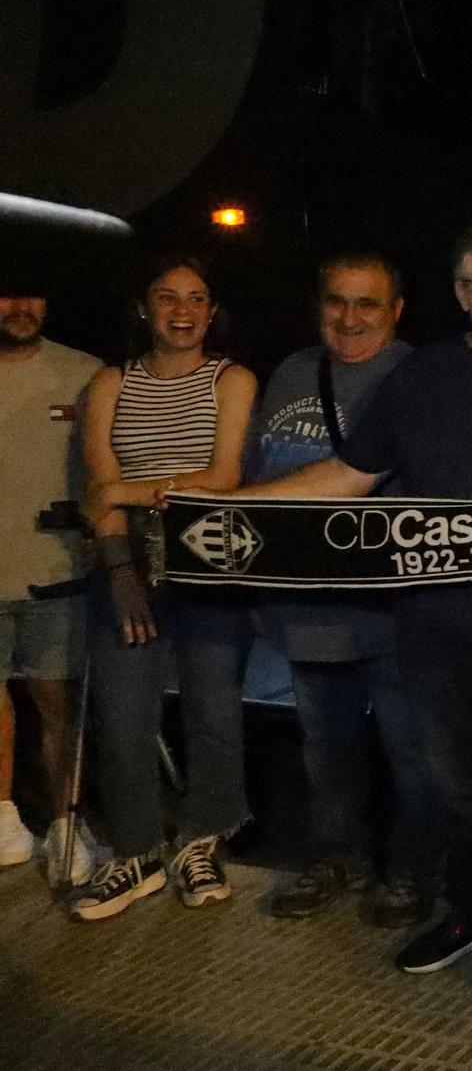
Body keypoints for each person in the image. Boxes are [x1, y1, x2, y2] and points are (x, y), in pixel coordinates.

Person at [225, 224, 472, 996]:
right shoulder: (422, 375)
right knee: (460, 786)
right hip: (435, 623)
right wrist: (234, 506)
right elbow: (347, 474)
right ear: (462, 295)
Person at [251, 253, 436, 927]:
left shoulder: (421, 373)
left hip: (393, 609)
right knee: (324, 749)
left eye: (368, 303)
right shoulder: (293, 372)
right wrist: (256, 594)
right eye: (337, 301)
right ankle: (339, 856)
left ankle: (413, 870)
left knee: (411, 751)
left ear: (397, 309)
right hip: (305, 606)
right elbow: (256, 483)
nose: (351, 317)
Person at [71, 256, 258, 920]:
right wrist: (120, 570)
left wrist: (129, 487)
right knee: (123, 717)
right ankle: (136, 852)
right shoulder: (109, 381)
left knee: (214, 711)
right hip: (128, 565)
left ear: (212, 311)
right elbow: (100, 489)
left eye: (197, 298)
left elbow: (226, 476)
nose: (182, 309)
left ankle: (201, 841)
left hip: (207, 564)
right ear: (144, 308)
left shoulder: (230, 379)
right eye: (167, 296)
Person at [0, 281, 101, 888]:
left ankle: (67, 822)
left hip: (57, 572)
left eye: (32, 294)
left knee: (58, 703)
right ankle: (3, 816)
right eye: (4, 294)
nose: (19, 307)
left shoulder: (85, 374)